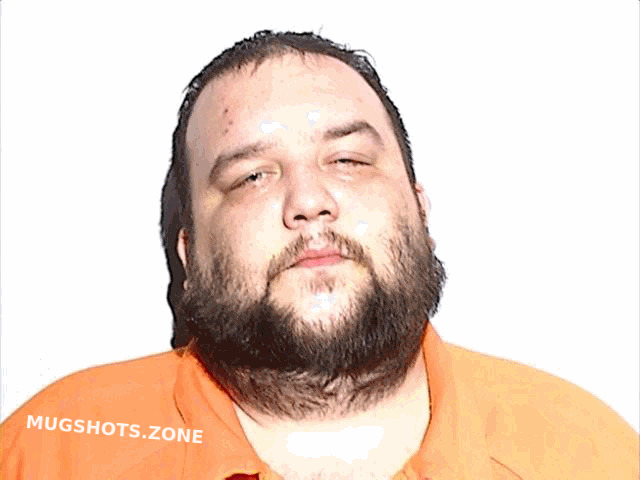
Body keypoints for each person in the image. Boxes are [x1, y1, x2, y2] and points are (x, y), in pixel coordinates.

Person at [1, 30, 637, 480]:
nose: (309, 202)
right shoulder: (48, 453)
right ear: (188, 252)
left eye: (349, 160)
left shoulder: (589, 455)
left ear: (420, 209)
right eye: (252, 176)